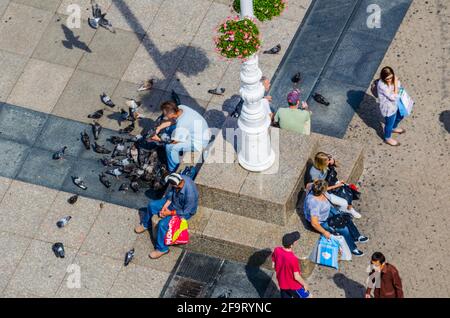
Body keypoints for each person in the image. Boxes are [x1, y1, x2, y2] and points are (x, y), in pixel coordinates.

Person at [135, 173, 199, 259]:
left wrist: (169, 213)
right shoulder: (177, 178)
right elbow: (170, 195)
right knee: (152, 205)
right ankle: (146, 224)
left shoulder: (190, 194)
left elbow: (186, 211)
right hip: (173, 202)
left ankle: (162, 249)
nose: (171, 186)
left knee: (162, 224)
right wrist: (164, 207)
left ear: (177, 185)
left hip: (183, 211)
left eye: (173, 185)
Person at [304, 180, 368, 257]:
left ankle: (357, 236)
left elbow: (308, 185)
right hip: (322, 221)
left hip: (326, 212)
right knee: (343, 229)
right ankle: (352, 248)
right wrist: (324, 232)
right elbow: (314, 223)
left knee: (345, 218)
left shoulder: (313, 186)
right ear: (322, 192)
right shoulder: (314, 204)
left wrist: (335, 186)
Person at [150, 101, 210, 172]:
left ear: (171, 113)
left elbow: (175, 142)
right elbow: (173, 120)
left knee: (170, 148)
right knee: (169, 128)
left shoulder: (181, 124)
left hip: (199, 143)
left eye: (165, 114)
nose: (165, 115)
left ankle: (172, 169)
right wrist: (159, 128)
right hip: (201, 131)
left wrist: (159, 139)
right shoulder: (181, 107)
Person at [308, 152, 361, 219]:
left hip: (330, 183)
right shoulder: (314, 174)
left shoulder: (324, 165)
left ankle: (350, 209)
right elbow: (320, 189)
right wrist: (336, 186)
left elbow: (336, 166)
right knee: (344, 202)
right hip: (323, 192)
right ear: (322, 163)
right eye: (327, 161)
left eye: (328, 159)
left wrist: (333, 161)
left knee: (348, 191)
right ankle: (343, 213)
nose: (329, 162)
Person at [272, 231, 311, 298]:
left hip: (282, 283)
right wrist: (305, 284)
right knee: (309, 297)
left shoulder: (276, 250)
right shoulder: (293, 259)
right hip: (293, 286)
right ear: (291, 245)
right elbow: (296, 276)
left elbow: (273, 265)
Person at [377, 66, 406, 146]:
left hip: (397, 103)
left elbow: (399, 88)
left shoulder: (394, 79)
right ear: (383, 78)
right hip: (388, 108)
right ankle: (387, 137)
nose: (390, 80)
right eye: (387, 79)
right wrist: (396, 84)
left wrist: (396, 85)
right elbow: (393, 97)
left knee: (401, 115)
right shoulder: (382, 85)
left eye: (391, 77)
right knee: (389, 123)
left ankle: (394, 127)